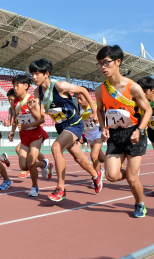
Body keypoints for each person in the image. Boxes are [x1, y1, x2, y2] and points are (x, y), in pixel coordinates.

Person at [30, 58, 104, 202]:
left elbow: (83, 90)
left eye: (37, 74)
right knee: (78, 157)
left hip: (74, 123)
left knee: (56, 148)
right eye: (32, 74)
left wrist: (94, 112)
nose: (33, 77)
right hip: (61, 126)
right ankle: (96, 175)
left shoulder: (59, 86)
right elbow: (40, 117)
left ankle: (61, 189)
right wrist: (33, 107)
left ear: (46, 73)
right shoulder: (37, 91)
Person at [94, 45, 152, 218]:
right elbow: (100, 110)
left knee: (132, 179)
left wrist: (139, 130)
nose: (103, 67)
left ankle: (140, 204)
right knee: (111, 176)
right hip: (115, 135)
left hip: (134, 133)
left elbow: (148, 110)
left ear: (118, 62)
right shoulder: (100, 90)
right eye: (100, 64)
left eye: (106, 63)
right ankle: (131, 176)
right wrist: (103, 127)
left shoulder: (133, 88)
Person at [9, 74, 52, 197]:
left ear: (26, 86)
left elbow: (41, 119)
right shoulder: (14, 102)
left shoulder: (34, 99)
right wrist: (12, 131)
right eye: (14, 85)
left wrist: (31, 109)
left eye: (18, 85)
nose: (15, 88)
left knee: (31, 162)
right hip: (24, 136)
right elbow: (15, 118)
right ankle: (44, 164)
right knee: (24, 166)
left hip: (36, 134)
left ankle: (35, 187)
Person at [5, 88, 47, 179]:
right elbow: (12, 120)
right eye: (8, 99)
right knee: (28, 156)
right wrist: (10, 128)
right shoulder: (11, 108)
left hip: (35, 131)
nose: (9, 101)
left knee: (19, 150)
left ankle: (35, 170)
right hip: (24, 133)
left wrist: (35, 125)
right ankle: (44, 164)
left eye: (11, 99)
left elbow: (40, 118)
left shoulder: (29, 101)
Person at [75, 86, 106, 189]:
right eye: (77, 98)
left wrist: (105, 129)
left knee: (93, 155)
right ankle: (114, 163)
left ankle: (97, 178)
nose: (79, 101)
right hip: (88, 134)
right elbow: (80, 121)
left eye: (81, 98)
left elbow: (103, 116)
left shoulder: (95, 106)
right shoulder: (78, 107)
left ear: (87, 96)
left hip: (98, 133)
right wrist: (80, 135)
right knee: (101, 158)